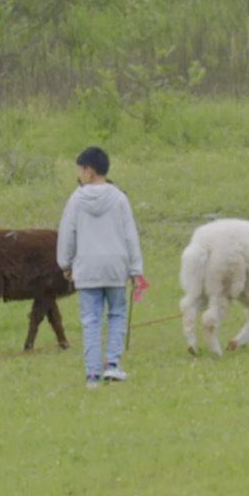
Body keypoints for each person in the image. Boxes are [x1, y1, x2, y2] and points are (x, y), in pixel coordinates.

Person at [57, 146, 144, 387]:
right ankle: (113, 365)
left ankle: (92, 374)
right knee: (117, 314)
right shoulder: (119, 198)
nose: (79, 174)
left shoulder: (75, 200)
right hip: (116, 266)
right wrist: (136, 269)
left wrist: (65, 262)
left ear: (89, 171)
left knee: (90, 319)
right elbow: (130, 235)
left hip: (87, 268)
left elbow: (67, 234)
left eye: (80, 170)